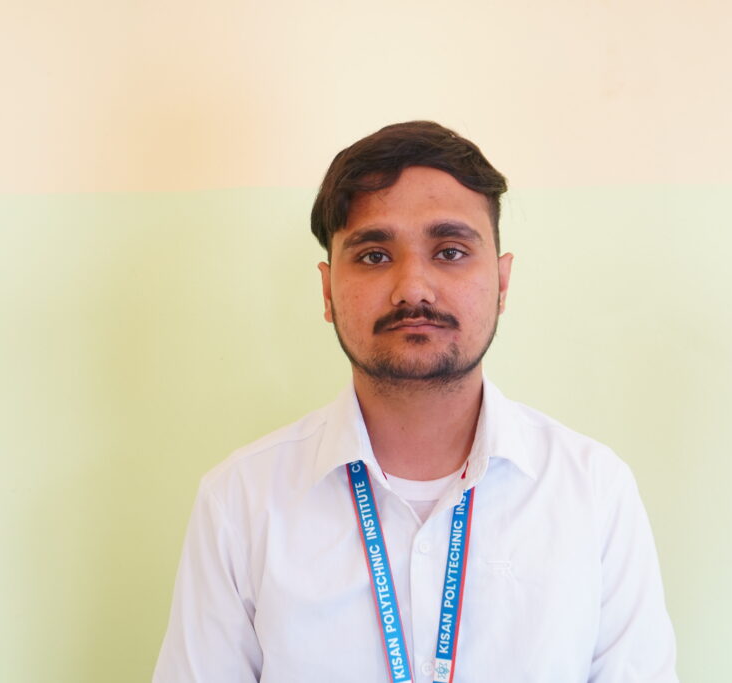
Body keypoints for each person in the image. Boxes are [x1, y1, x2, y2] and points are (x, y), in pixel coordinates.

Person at [153, 121, 678, 682]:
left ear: (502, 283)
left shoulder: (593, 491)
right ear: (327, 291)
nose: (413, 289)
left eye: (450, 251)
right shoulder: (240, 502)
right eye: (374, 256)